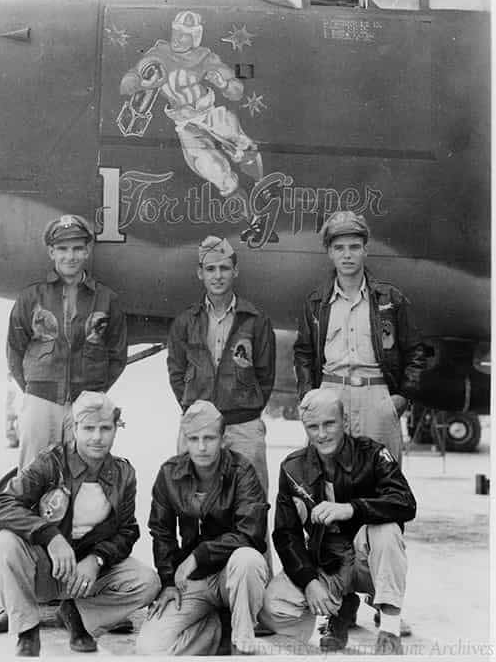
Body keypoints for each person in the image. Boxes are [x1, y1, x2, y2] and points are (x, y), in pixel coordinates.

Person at [0, 392, 160, 657]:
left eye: (105, 428)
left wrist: (97, 559)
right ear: (74, 429)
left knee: (148, 583)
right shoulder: (51, 462)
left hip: (85, 574)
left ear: (116, 429)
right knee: (3, 544)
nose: (96, 437)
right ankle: (27, 629)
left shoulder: (124, 473)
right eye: (88, 428)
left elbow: (127, 530)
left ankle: (76, 613)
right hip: (45, 565)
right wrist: (50, 537)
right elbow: (2, 505)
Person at [260, 389, 416, 655]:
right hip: (329, 562)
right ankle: (341, 609)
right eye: (313, 427)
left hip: (368, 559)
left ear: (344, 422)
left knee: (387, 529)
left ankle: (389, 631)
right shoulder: (292, 468)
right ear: (305, 429)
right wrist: (309, 582)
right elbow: (286, 535)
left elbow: (405, 503)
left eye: (329, 424)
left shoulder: (372, 454)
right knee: (273, 609)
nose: (322, 434)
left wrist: (351, 509)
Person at [119, 10, 277, 246]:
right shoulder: (158, 54)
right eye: (176, 32)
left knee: (244, 145)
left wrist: (223, 83)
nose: (178, 38)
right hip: (185, 124)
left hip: (210, 113)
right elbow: (126, 84)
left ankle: (263, 189)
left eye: (185, 34)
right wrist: (142, 82)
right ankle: (255, 221)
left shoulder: (205, 57)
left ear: (195, 36)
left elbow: (236, 90)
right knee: (217, 174)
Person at [137, 400, 270, 655]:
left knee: (248, 560)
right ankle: (216, 628)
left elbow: (251, 534)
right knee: (149, 648)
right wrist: (168, 582)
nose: (201, 446)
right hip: (194, 582)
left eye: (209, 438)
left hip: (232, 575)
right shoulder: (170, 474)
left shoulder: (242, 471)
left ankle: (242, 641)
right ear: (185, 441)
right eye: (194, 438)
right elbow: (161, 533)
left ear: (223, 439)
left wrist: (200, 555)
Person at [293, 210, 426, 465]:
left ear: (366, 250)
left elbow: (415, 352)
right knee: (327, 478)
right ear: (330, 252)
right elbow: (304, 354)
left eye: (355, 247)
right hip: (330, 393)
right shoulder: (316, 303)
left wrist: (400, 398)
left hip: (376, 396)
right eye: (339, 248)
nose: (347, 254)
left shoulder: (390, 299)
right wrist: (307, 396)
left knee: (382, 480)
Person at [7, 213, 128, 470]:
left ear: (87, 251)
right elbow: (15, 350)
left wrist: (93, 392)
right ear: (51, 252)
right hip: (41, 401)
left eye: (76, 249)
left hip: (86, 404)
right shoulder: (31, 297)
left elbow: (118, 355)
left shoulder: (107, 299)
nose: (69, 256)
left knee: (83, 477)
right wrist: (36, 389)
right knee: (32, 475)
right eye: (62, 249)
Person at [167, 235, 276, 495]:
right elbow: (177, 372)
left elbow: (265, 375)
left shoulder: (255, 320)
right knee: (193, 501)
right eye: (211, 269)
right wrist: (194, 408)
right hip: (198, 427)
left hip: (243, 426)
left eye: (224, 268)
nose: (218, 276)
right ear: (200, 273)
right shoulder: (186, 321)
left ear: (235, 271)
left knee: (252, 500)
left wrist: (244, 408)